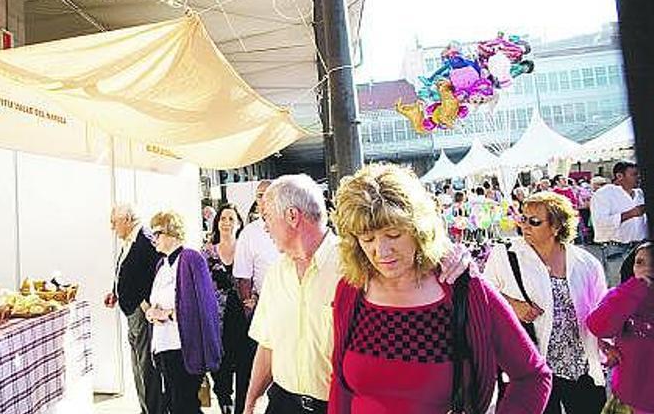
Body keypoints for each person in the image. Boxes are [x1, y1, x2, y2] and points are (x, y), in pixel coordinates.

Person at [243, 174, 475, 414]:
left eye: (267, 217)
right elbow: (267, 343)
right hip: (282, 403)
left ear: (292, 216)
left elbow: (416, 266)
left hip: (341, 406)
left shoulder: (360, 266)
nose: (264, 226)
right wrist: (251, 401)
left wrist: (450, 257)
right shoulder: (276, 274)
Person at [329, 163, 551, 413]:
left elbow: (533, 376)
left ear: (418, 229)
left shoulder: (462, 290)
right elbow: (341, 384)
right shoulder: (352, 290)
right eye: (367, 239)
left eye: (393, 235)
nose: (381, 252)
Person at [484, 191, 608, 414]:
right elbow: (484, 298)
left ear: (557, 226)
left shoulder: (586, 263)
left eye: (534, 221)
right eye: (523, 218)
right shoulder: (505, 255)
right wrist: (513, 304)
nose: (525, 226)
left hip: (580, 367)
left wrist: (607, 344)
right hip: (533, 372)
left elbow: (601, 310)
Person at [147, 211, 221, 414]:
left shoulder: (190, 258)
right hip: (164, 346)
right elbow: (157, 301)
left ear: (171, 232)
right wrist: (151, 313)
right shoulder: (161, 264)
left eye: (158, 233)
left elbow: (202, 307)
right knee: (174, 404)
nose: (154, 239)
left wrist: (167, 314)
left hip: (183, 347)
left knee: (185, 406)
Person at [105, 205, 163, 414]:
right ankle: (145, 408)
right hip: (131, 310)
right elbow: (125, 269)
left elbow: (157, 273)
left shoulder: (145, 240)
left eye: (115, 222)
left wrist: (145, 303)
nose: (112, 227)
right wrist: (115, 291)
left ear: (128, 219)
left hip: (141, 312)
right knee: (138, 364)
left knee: (146, 366)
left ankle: (153, 410)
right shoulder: (131, 241)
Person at [587, 242, 654, 414]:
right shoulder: (624, 295)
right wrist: (632, 291)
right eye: (640, 262)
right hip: (626, 399)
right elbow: (598, 327)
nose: (647, 268)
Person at [233, 180, 280, 405]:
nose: (263, 200)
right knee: (263, 368)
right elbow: (243, 276)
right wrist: (247, 307)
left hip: (294, 305)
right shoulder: (249, 234)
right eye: (259, 195)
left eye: (268, 194)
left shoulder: (289, 224)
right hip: (263, 307)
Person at [203, 203, 247, 414]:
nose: (226, 223)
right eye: (223, 218)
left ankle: (242, 408)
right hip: (216, 318)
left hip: (242, 317)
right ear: (216, 222)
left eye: (231, 219)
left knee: (244, 363)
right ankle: (224, 403)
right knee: (219, 365)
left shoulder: (246, 250)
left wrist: (254, 297)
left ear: (238, 223)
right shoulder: (207, 252)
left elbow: (255, 280)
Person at [591, 161, 647, 263]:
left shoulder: (640, 193)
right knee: (618, 279)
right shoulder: (604, 194)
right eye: (634, 174)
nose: (638, 177)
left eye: (639, 174)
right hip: (615, 250)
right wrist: (631, 213)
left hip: (641, 248)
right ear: (620, 176)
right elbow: (600, 223)